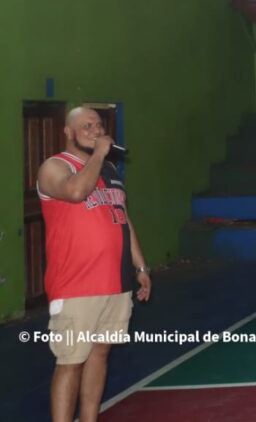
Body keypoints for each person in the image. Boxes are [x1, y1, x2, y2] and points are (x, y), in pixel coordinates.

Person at [37, 108, 152, 422]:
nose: (95, 130)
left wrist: (140, 268)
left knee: (100, 354)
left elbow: (123, 220)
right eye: (85, 126)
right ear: (68, 132)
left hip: (114, 282)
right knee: (71, 361)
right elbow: (76, 192)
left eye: (99, 125)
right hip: (76, 284)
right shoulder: (55, 166)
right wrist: (99, 154)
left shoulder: (109, 170)